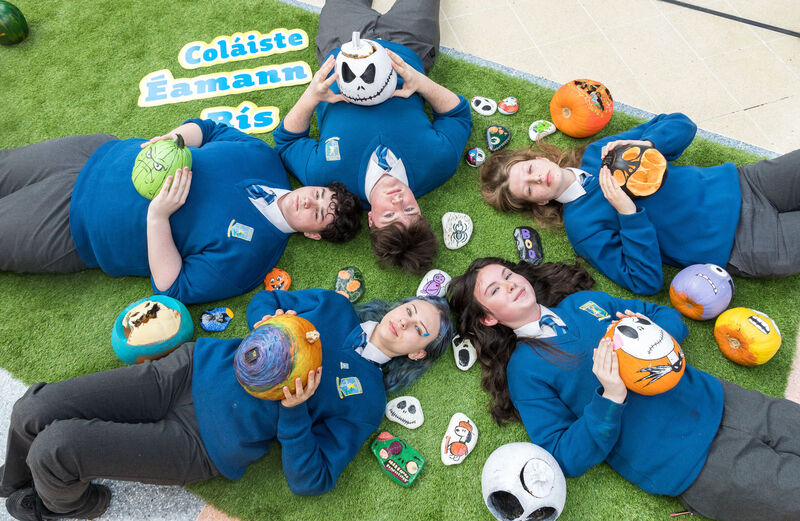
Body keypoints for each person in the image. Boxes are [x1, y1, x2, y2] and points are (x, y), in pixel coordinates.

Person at [0, 288, 453, 520]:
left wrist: (295, 410)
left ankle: (72, 506)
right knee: (32, 410)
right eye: (411, 310)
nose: (406, 321)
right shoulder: (334, 308)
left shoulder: (367, 400)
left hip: (202, 442)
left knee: (56, 448)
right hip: (185, 371)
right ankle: (12, 485)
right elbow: (266, 301)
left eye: (420, 330)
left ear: (417, 353)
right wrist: (269, 321)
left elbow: (313, 480)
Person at [447, 256, 800, 521]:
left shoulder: (584, 304)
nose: (509, 284)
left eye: (508, 275)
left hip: (722, 399)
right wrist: (610, 396)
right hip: (691, 462)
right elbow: (562, 454)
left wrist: (649, 334)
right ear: (488, 318)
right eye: (495, 289)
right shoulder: (525, 372)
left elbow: (663, 315)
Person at [0, 119, 362, 304]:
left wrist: (158, 216)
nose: (308, 201)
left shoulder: (252, 259)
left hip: (72, 225)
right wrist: (173, 139)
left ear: (313, 233)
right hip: (92, 155)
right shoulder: (264, 158)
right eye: (318, 195)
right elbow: (209, 129)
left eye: (317, 213)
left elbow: (172, 287)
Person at [479, 112, 800, 294]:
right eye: (530, 190)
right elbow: (644, 280)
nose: (538, 180)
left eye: (530, 171)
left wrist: (645, 143)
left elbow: (683, 125)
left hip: (745, 182)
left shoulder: (598, 152)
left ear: (537, 158)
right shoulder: (582, 228)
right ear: (540, 202)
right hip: (741, 244)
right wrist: (627, 213)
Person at [273, 0, 473, 274]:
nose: (398, 201)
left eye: (390, 215)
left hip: (343, 45)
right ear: (421, 211)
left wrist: (311, 97)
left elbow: (287, 142)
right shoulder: (438, 164)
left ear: (371, 219)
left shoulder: (330, 185)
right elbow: (458, 115)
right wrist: (421, 82)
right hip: (409, 46)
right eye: (411, 211)